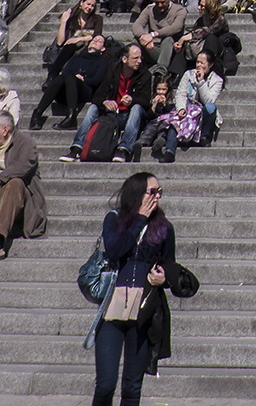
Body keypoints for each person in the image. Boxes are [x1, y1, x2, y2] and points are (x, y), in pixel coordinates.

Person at [90, 171, 175, 405]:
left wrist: (164, 279)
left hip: (143, 311)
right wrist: (139, 220)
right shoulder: (114, 219)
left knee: (132, 386)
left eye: (159, 191)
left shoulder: (164, 227)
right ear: (137, 193)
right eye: (152, 192)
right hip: (112, 308)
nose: (157, 196)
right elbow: (115, 250)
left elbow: (170, 265)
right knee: (105, 384)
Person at [70, 42, 152, 163]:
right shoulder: (112, 71)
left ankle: (124, 149)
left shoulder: (145, 75)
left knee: (137, 108)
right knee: (93, 107)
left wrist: (132, 100)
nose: (139, 61)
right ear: (124, 59)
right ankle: (77, 147)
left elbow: (146, 101)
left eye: (140, 58)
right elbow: (97, 97)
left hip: (130, 116)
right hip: (112, 115)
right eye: (135, 58)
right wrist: (105, 102)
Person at [29, 33, 109, 130]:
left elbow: (96, 81)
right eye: (94, 39)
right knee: (60, 78)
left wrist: (83, 79)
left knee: (71, 78)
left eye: (100, 41)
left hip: (84, 91)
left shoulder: (102, 62)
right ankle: (37, 114)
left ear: (103, 48)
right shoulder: (76, 58)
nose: (95, 41)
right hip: (67, 91)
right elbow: (65, 74)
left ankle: (71, 117)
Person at [152, 52, 222, 161]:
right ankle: (169, 152)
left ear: (210, 64)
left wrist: (200, 82)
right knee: (176, 121)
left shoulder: (217, 80)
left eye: (202, 63)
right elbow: (181, 94)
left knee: (210, 107)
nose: (199, 65)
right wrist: (181, 108)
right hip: (188, 108)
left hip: (202, 113)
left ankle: (204, 136)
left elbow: (209, 100)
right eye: (197, 62)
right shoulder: (188, 74)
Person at [0, 111, 46, 257]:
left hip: (19, 200)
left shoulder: (26, 143)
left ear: (5, 130)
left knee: (15, 183)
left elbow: (23, 166)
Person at [132, 0, 188, 71]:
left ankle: (161, 71)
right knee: (136, 40)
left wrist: (153, 34)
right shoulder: (150, 9)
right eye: (157, 2)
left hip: (170, 50)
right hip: (152, 47)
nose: (159, 5)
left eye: (162, 2)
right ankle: (132, 69)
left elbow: (176, 27)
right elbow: (136, 25)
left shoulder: (179, 10)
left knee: (168, 39)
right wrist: (144, 37)